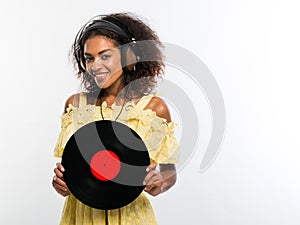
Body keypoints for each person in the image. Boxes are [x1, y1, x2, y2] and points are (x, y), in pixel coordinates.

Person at [52, 12, 179, 225]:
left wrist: (160, 182)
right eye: (89, 58)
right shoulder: (75, 106)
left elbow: (169, 172)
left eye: (105, 55)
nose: (95, 66)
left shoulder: (153, 108)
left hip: (131, 217)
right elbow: (72, 169)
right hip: (82, 217)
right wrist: (62, 184)